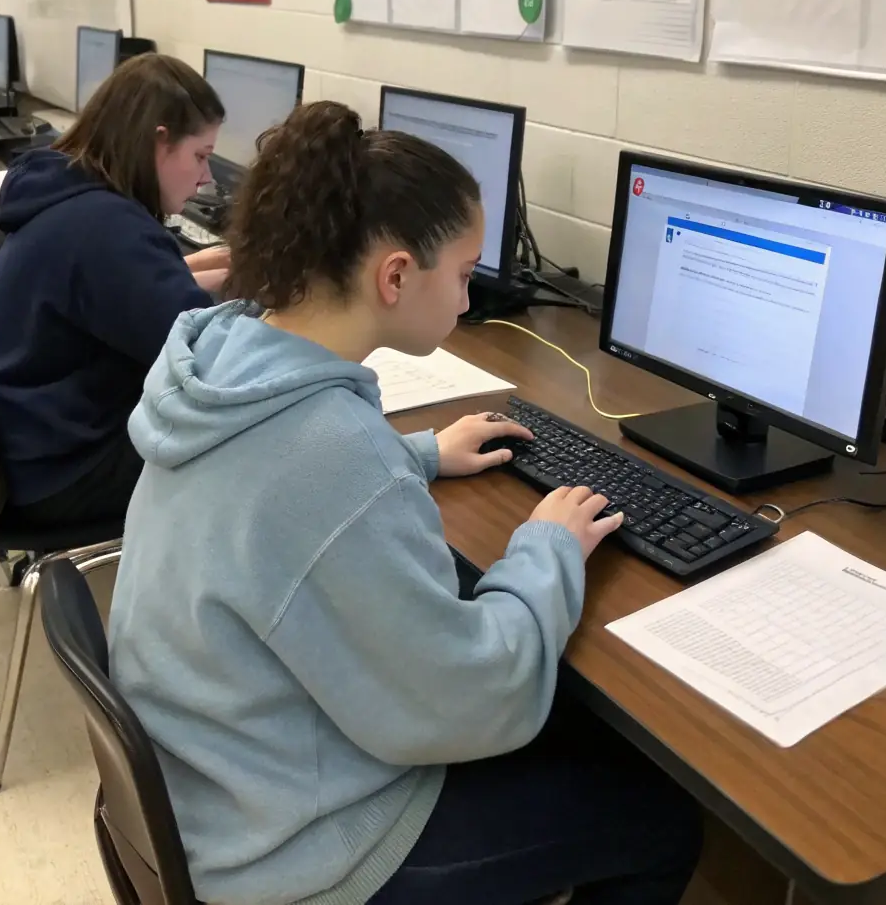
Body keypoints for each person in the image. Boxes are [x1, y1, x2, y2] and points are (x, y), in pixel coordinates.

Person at [108, 100, 703, 905]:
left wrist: (416, 453)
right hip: (299, 852)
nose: (467, 301)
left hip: (214, 786)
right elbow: (470, 695)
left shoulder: (225, 354)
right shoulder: (332, 456)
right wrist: (546, 548)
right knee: (662, 816)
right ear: (394, 274)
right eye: (462, 274)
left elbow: (287, 501)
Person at [0, 53, 229, 527]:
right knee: (248, 445)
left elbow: (111, 293)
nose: (207, 178)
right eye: (200, 156)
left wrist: (187, 272)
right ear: (159, 142)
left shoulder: (69, 191)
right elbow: (208, 363)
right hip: (57, 470)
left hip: (22, 443)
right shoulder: (108, 228)